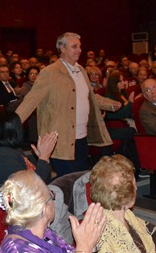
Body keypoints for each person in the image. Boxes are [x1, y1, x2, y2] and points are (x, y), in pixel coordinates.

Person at [16, 32, 120, 176]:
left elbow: (88, 96)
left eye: (80, 46)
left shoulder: (81, 70)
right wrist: (12, 124)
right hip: (60, 139)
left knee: (80, 179)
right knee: (70, 180)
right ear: (62, 48)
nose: (79, 50)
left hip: (81, 137)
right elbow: (31, 100)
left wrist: (109, 104)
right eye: (74, 46)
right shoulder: (50, 72)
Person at [0, 170, 106, 253]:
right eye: (51, 195)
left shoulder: (46, 235)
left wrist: (91, 246)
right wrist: (84, 246)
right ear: (45, 209)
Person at [89, 155, 156, 253]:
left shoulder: (127, 215)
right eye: (133, 185)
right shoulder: (100, 227)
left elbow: (153, 230)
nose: (136, 188)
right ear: (124, 194)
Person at [0, 111, 57, 195]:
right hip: (14, 201)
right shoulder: (3, 157)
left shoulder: (11, 151)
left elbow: (42, 181)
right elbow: (32, 189)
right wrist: (43, 157)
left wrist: (44, 158)